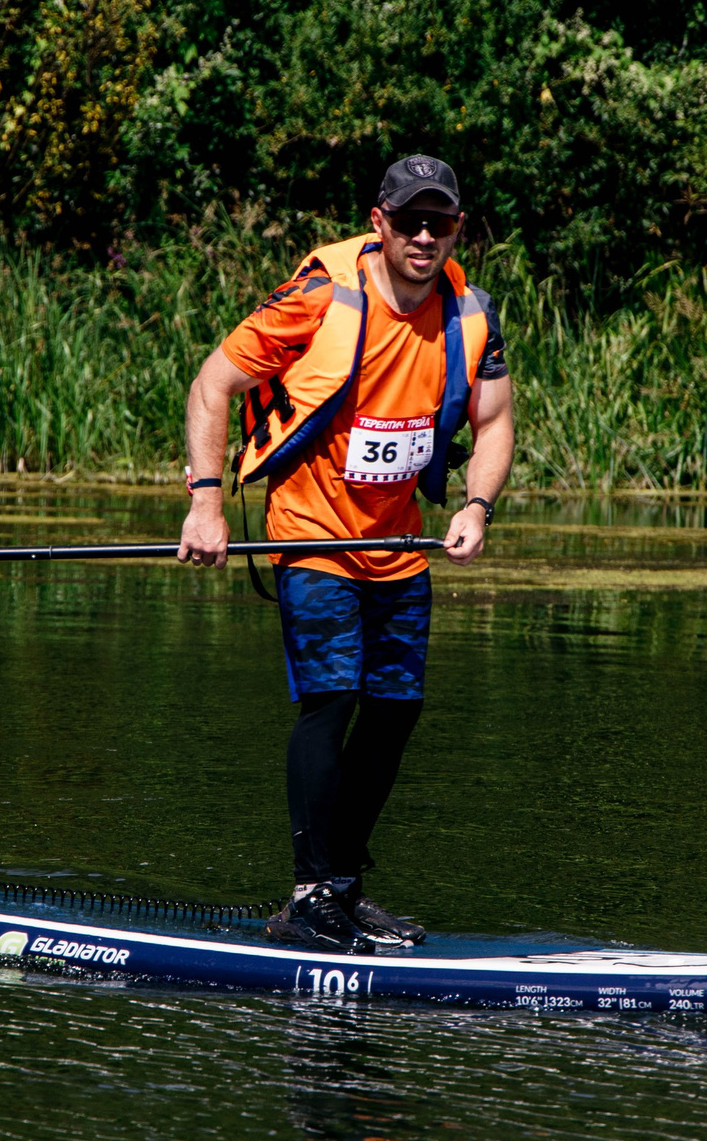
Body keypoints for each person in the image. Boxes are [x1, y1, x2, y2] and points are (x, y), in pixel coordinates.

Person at [178, 155, 514, 952]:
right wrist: (206, 501)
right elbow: (212, 383)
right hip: (311, 531)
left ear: (459, 228)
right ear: (381, 222)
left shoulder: (470, 313)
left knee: (396, 711)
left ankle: (344, 887)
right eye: (410, 220)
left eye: (441, 221)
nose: (425, 235)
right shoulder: (321, 295)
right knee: (330, 698)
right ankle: (308, 895)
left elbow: (494, 423)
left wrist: (477, 505)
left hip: (398, 543)